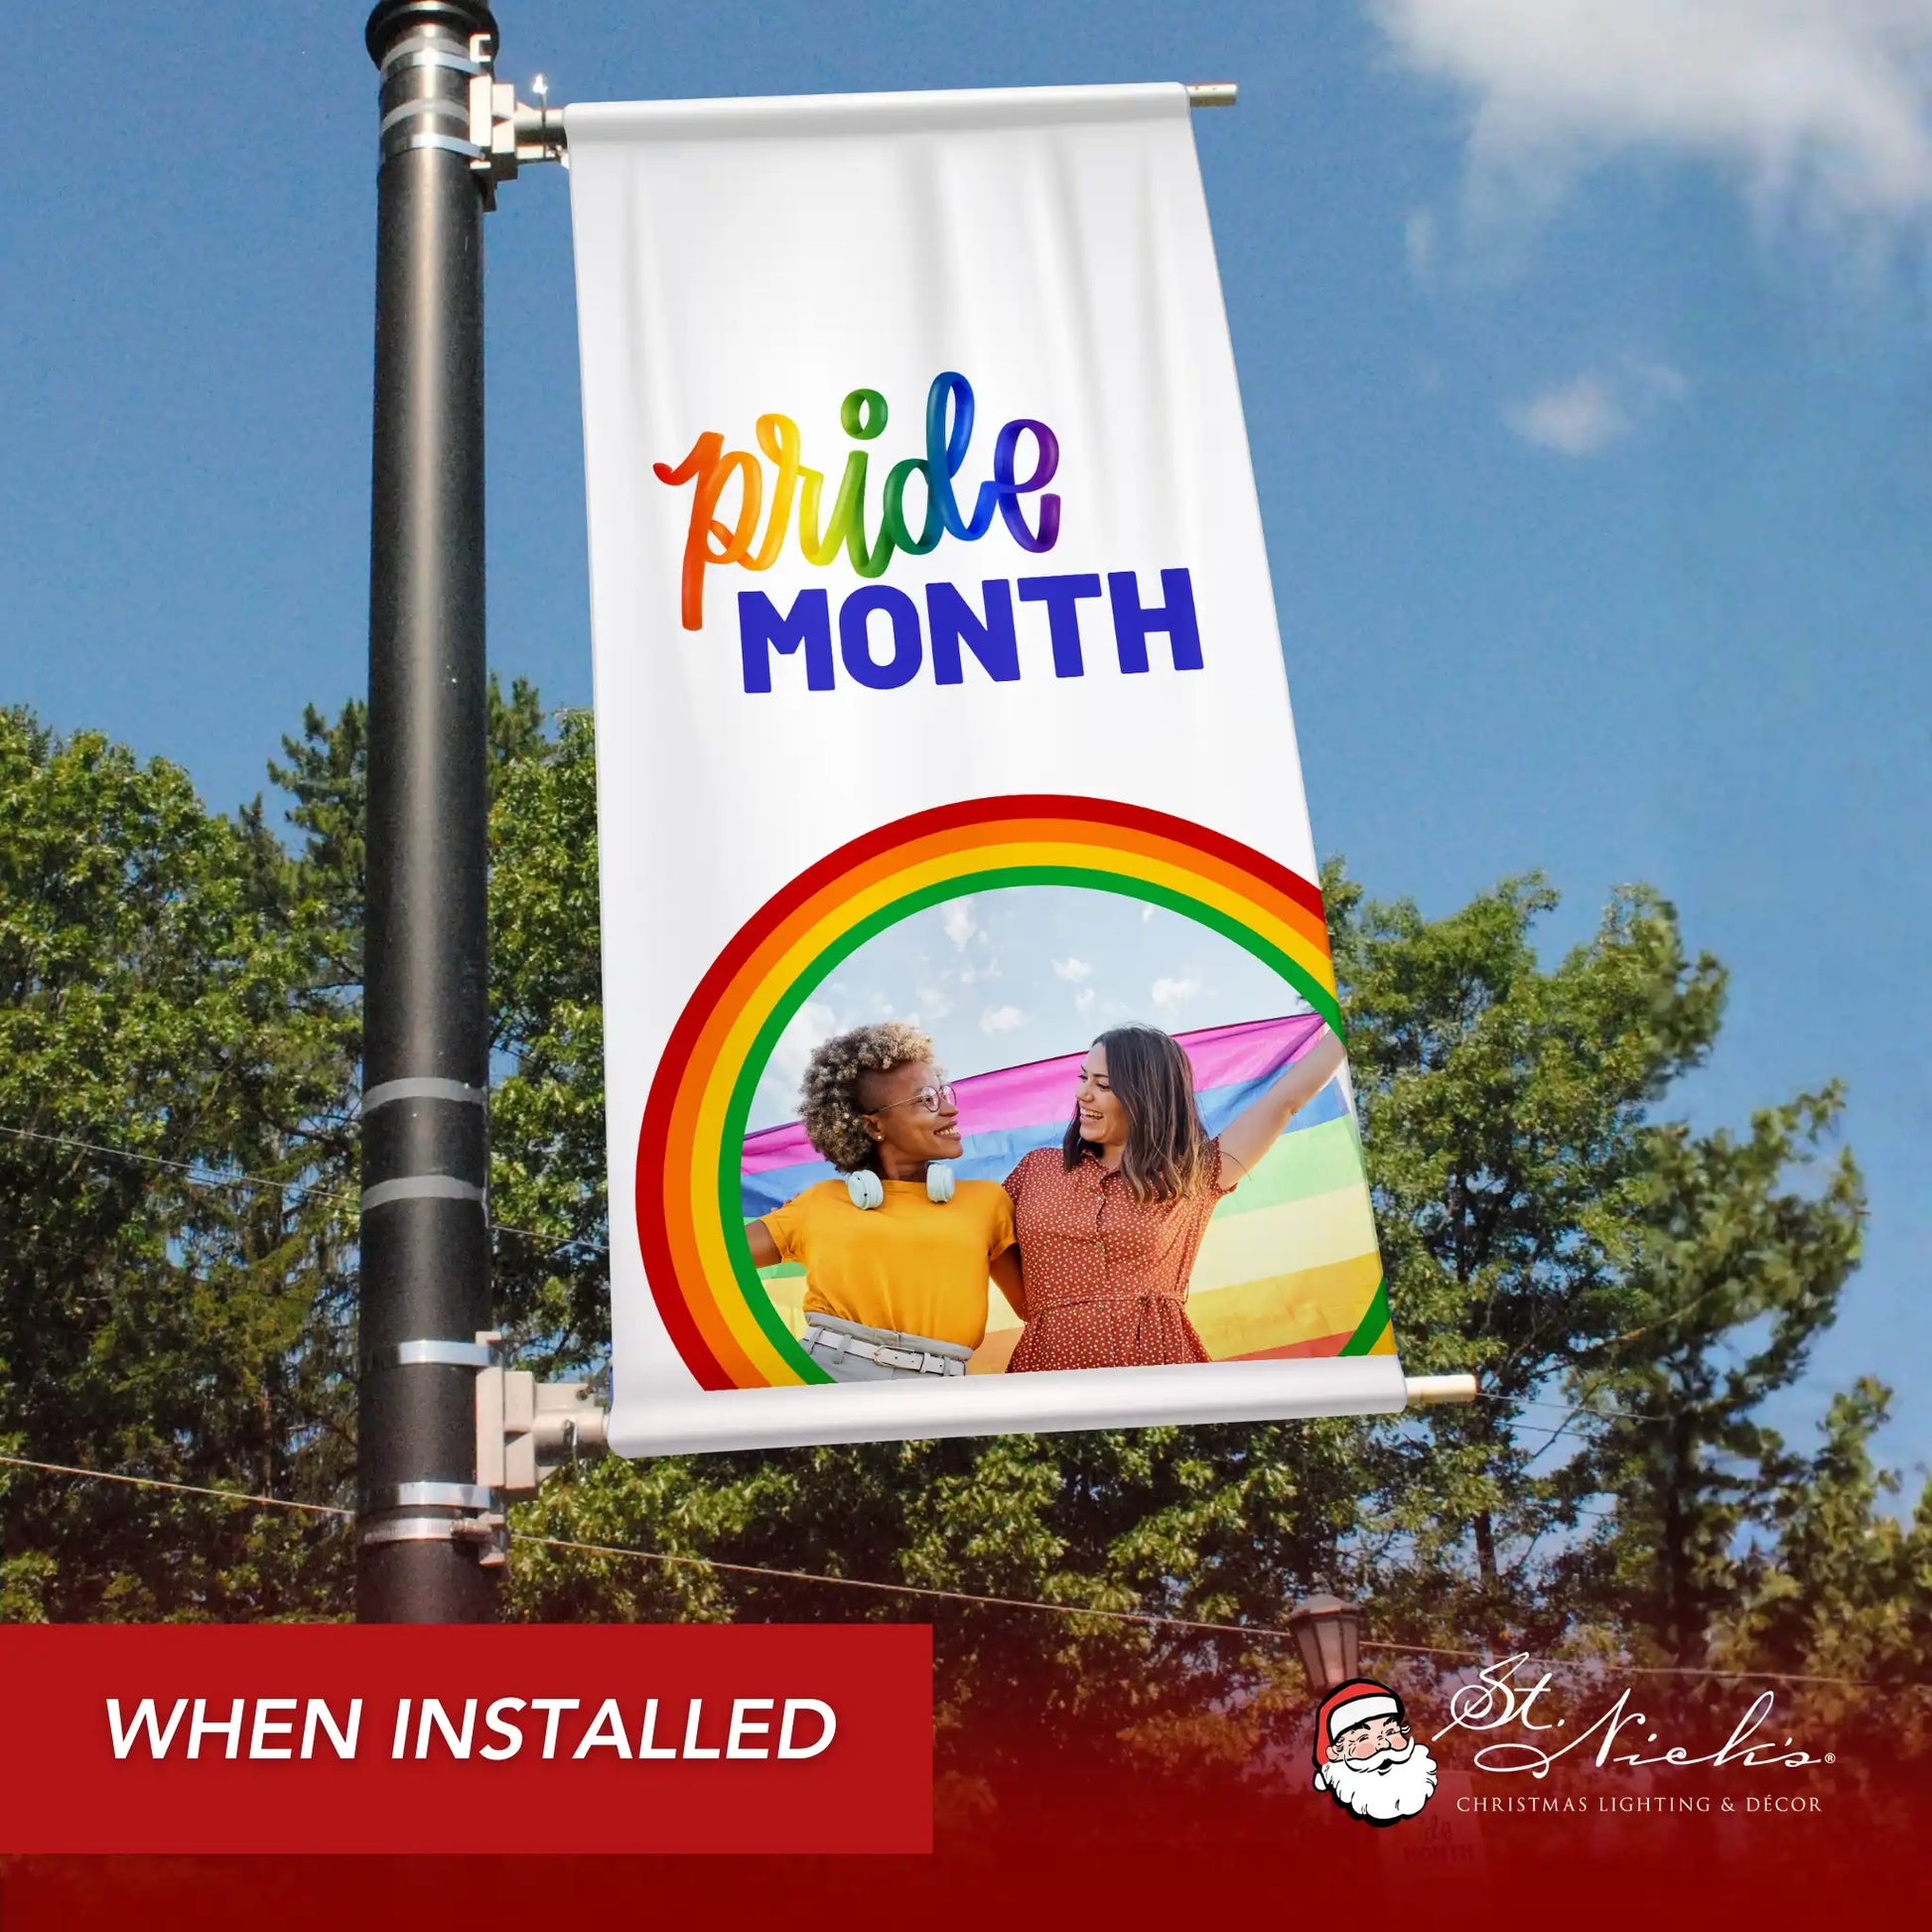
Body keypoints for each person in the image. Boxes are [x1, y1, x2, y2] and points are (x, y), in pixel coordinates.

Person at [1001, 1020, 1346, 1372]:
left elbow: (1284, 1101)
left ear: (1146, 1094)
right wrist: (1046, 1313)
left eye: (1102, 1084)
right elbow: (982, 1241)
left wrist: (1351, 1018)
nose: (1082, 1094)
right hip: (1046, 1365)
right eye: (1083, 1078)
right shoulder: (1036, 1170)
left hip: (1162, 1368)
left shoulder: (1196, 1173)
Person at [744, 1021, 1025, 1383]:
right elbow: (705, 1262)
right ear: (874, 1126)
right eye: (927, 1100)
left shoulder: (988, 1202)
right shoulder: (819, 1202)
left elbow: (1033, 1308)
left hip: (944, 1388)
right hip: (824, 1371)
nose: (950, 1111)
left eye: (944, 1094)